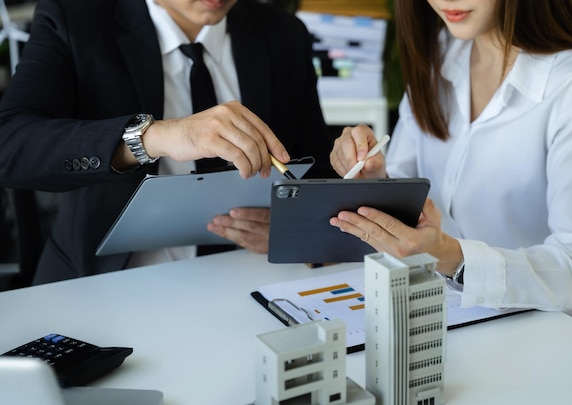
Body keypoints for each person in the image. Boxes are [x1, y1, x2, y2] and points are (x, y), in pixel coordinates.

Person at [329, 0, 572, 341]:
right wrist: (373, 178)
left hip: (567, 331)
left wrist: (452, 257)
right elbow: (410, 196)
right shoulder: (440, 53)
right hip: (459, 320)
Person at [0, 0, 335, 284]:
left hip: (251, 278)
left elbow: (312, 169)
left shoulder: (283, 34)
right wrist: (152, 137)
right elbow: (9, 145)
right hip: (106, 285)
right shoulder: (74, 18)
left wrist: (293, 228)